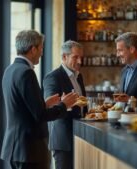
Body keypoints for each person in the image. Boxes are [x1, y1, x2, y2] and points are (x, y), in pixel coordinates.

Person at [0, 30, 78, 169]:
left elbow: (22, 108)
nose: (42, 53)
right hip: (29, 150)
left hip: (14, 148)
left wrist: (45, 104)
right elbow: (40, 115)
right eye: (41, 48)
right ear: (33, 49)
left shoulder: (10, 70)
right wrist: (64, 104)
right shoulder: (26, 73)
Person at [43, 40, 87, 169]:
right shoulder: (52, 77)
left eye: (81, 57)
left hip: (79, 137)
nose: (79, 61)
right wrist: (63, 102)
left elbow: (82, 102)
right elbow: (51, 105)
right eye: (75, 57)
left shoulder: (79, 76)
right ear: (64, 57)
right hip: (63, 140)